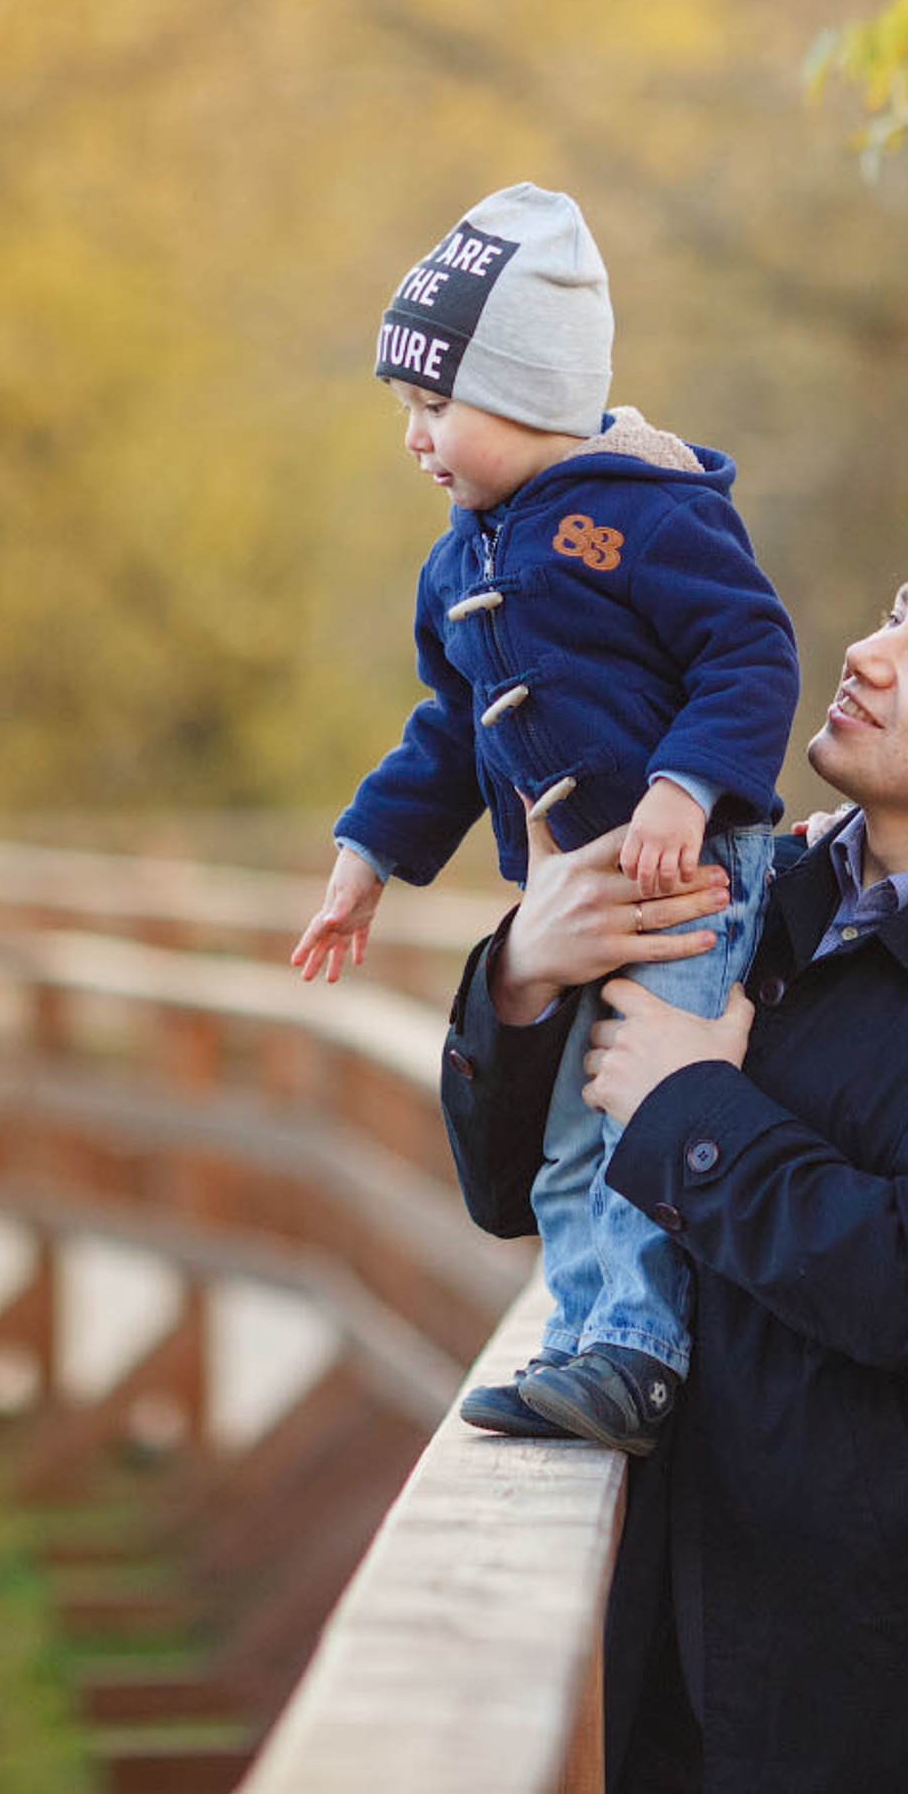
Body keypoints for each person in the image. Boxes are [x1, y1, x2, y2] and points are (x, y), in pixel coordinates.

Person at [441, 512, 908, 1794]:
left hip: (882, 1674)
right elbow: (502, 1192)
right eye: (890, 612)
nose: (863, 654)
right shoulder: (746, 889)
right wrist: (526, 974)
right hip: (663, 1622)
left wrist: (693, 1100)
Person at [293, 183, 800, 1451]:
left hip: (683, 879)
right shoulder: (454, 559)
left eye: (433, 407)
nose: (413, 439)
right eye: (406, 410)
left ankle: (640, 1350)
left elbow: (749, 656)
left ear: (526, 396)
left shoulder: (649, 513)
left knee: (645, 1104)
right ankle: (586, 1338)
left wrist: (686, 788)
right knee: (573, 1129)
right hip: (573, 903)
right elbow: (449, 732)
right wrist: (368, 857)